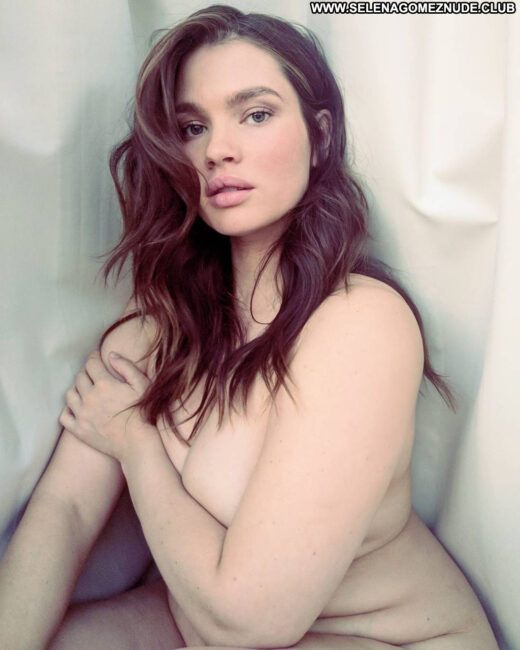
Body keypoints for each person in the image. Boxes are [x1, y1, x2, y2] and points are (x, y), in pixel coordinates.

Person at [0, 5, 499, 649]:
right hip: (199, 624)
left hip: (385, 638)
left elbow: (251, 621)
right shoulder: (149, 336)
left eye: (256, 114)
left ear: (320, 136)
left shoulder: (360, 325)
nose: (217, 150)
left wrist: (136, 445)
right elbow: (64, 513)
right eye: (192, 127)